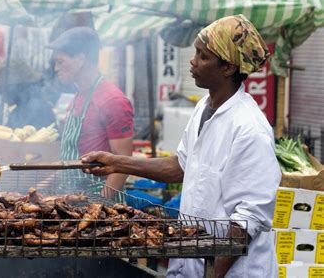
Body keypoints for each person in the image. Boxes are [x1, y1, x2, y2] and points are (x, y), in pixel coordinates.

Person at [81, 15, 281, 277]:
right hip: (191, 264)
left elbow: (248, 220)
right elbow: (178, 167)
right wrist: (116, 162)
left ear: (228, 68)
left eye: (203, 56)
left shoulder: (249, 129)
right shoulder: (203, 108)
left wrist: (211, 275)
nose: (193, 60)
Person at [47, 26, 134, 191]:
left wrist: (99, 208)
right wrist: (40, 187)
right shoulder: (78, 96)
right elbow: (71, 162)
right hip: (72, 197)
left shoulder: (113, 101)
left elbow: (123, 166)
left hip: (97, 203)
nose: (55, 68)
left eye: (60, 62)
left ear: (80, 59)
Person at [0, 59, 56, 129]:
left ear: (18, 86)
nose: (1, 93)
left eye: (3, 88)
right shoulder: (19, 108)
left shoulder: (34, 106)